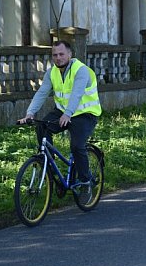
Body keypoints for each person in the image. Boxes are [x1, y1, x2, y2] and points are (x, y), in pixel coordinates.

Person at [18, 40, 102, 189]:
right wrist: (30, 113)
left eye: (61, 54)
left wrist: (68, 114)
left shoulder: (81, 70)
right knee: (42, 126)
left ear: (70, 54)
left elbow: (77, 94)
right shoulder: (52, 72)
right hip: (63, 112)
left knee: (76, 146)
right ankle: (49, 164)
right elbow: (42, 93)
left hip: (85, 114)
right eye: (55, 55)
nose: (58, 57)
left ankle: (85, 181)